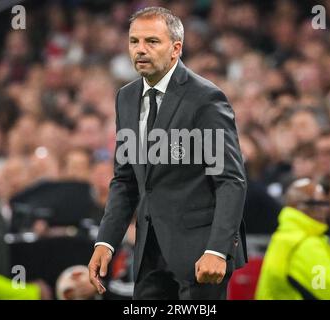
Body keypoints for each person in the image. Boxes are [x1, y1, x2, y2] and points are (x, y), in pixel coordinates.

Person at [88, 7, 247, 300]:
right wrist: (106, 243)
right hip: (150, 253)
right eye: (134, 42)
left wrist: (217, 249)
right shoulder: (126, 97)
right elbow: (125, 181)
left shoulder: (205, 98)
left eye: (152, 41)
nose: (140, 50)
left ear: (176, 49)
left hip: (200, 254)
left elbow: (230, 181)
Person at [255, 178, 330, 300]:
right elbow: (329, 291)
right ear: (300, 206)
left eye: (325, 204)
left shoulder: (283, 237)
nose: (324, 210)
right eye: (319, 204)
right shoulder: (305, 244)